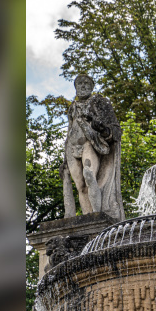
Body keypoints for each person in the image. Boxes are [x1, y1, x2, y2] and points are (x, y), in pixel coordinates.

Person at [62, 74, 125, 220]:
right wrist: (65, 159)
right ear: (75, 87)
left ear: (92, 87)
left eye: (86, 83)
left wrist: (102, 129)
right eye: (79, 83)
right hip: (72, 148)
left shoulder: (99, 102)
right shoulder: (72, 108)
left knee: (89, 175)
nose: (83, 86)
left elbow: (115, 130)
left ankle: (97, 215)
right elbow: (69, 130)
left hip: (89, 144)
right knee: (80, 186)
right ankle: (87, 217)